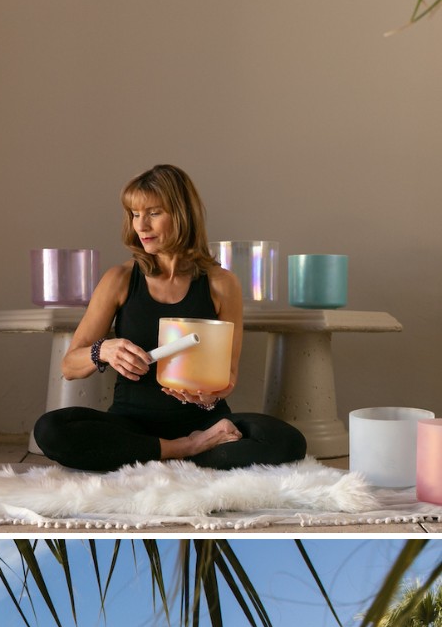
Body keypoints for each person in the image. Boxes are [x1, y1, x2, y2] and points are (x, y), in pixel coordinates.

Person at [33, 164, 306, 472]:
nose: (141, 225)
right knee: (50, 429)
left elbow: (228, 374)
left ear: (182, 214)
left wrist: (207, 394)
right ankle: (188, 449)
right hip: (132, 423)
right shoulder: (120, 278)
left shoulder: (221, 283)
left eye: (153, 213)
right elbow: (69, 366)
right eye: (135, 214)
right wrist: (105, 350)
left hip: (204, 420)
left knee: (287, 440)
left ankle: (165, 451)